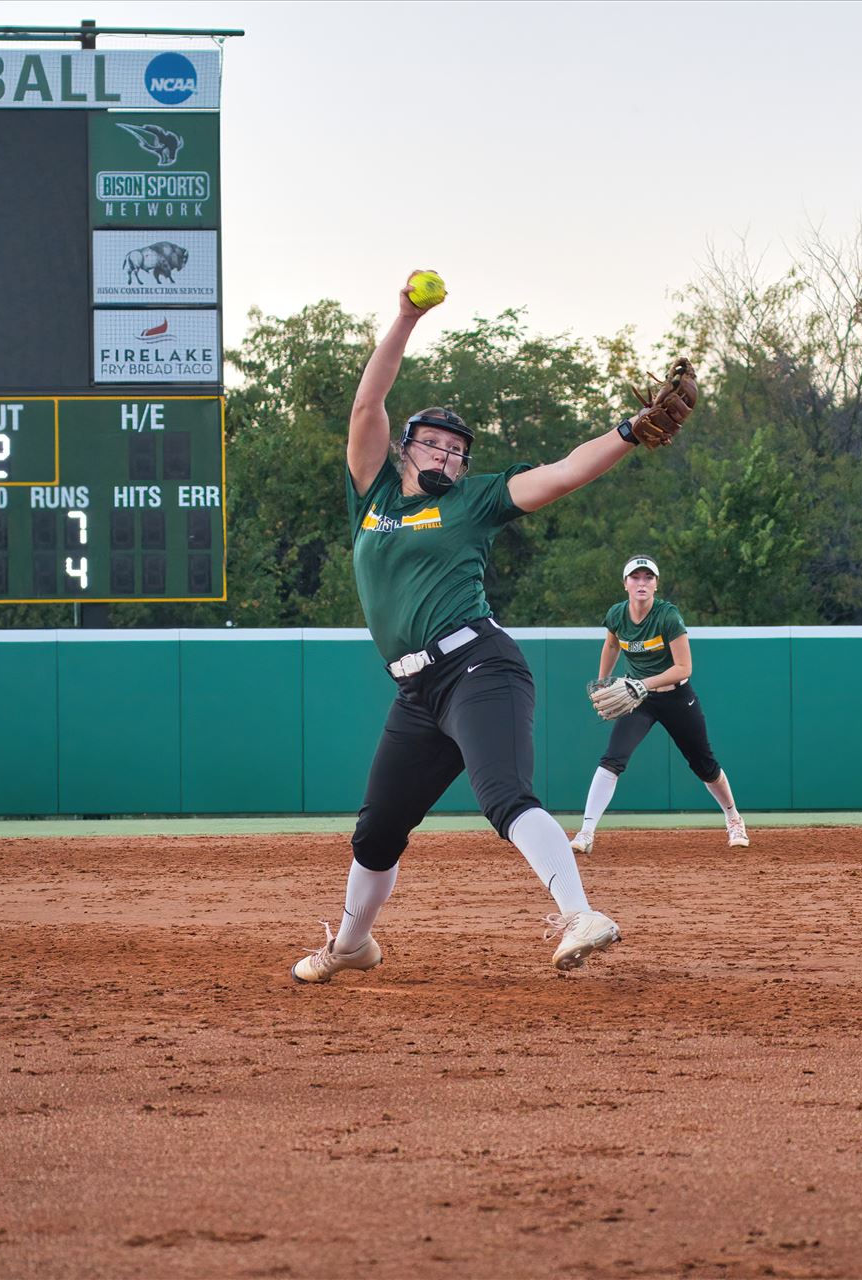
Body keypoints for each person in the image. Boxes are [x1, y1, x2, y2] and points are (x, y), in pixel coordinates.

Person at [291, 271, 695, 983]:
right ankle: (351, 945)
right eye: (433, 444)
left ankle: (579, 914)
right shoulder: (374, 496)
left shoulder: (474, 501)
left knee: (503, 796)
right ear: (405, 448)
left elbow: (564, 474)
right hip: (415, 693)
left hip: (478, 666)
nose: (446, 455)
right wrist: (406, 317)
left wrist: (631, 431)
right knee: (378, 830)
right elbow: (367, 403)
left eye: (456, 449)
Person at [568, 555, 749, 854]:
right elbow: (613, 644)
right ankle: (586, 832)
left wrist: (644, 683)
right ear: (625, 583)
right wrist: (603, 679)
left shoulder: (668, 616)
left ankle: (733, 818)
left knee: (704, 764)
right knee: (612, 759)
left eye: (647, 578)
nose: (642, 583)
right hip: (640, 699)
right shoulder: (617, 615)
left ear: (656, 584)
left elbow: (684, 667)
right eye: (635, 577)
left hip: (676, 697)